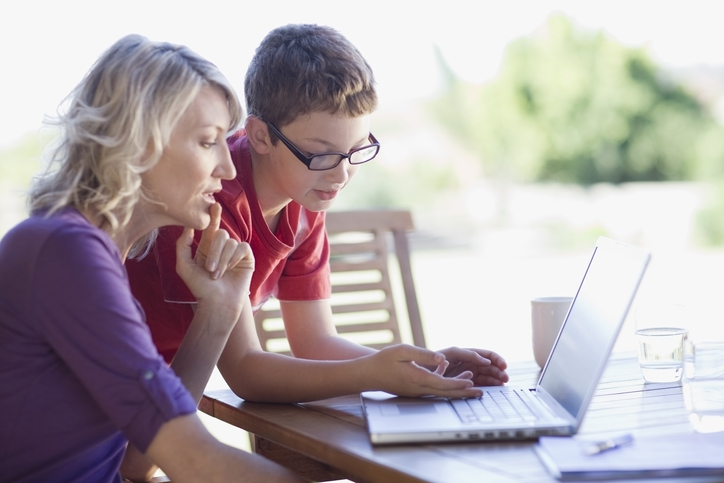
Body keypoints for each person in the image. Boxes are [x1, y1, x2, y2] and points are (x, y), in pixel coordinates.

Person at [126, 24, 509, 405]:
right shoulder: (212, 200)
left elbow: (314, 341)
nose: (341, 174)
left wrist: (427, 368)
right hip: (116, 385)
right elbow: (245, 372)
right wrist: (375, 373)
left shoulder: (307, 191)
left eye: (357, 150)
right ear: (260, 136)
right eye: (323, 154)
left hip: (166, 391)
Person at [0, 34, 301, 483]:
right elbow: (195, 462)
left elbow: (138, 463)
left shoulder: (95, 255)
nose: (228, 168)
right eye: (207, 141)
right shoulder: (63, 253)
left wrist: (217, 312)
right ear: (138, 143)